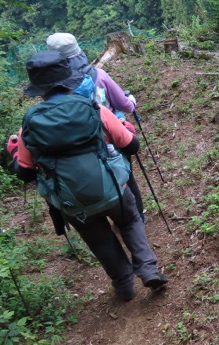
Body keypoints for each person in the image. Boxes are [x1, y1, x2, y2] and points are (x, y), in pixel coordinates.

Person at [8, 51, 168, 301]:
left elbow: (25, 174)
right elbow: (132, 147)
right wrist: (125, 128)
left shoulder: (29, 124)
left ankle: (124, 285)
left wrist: (14, 154)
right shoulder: (96, 110)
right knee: (129, 220)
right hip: (112, 189)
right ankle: (148, 270)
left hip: (72, 202)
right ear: (70, 80)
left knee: (100, 239)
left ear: (39, 89)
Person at [45, 32, 146, 220]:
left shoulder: (51, 88)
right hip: (109, 136)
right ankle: (136, 216)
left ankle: (97, 215)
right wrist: (131, 102)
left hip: (71, 147)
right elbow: (124, 104)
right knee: (126, 177)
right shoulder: (97, 75)